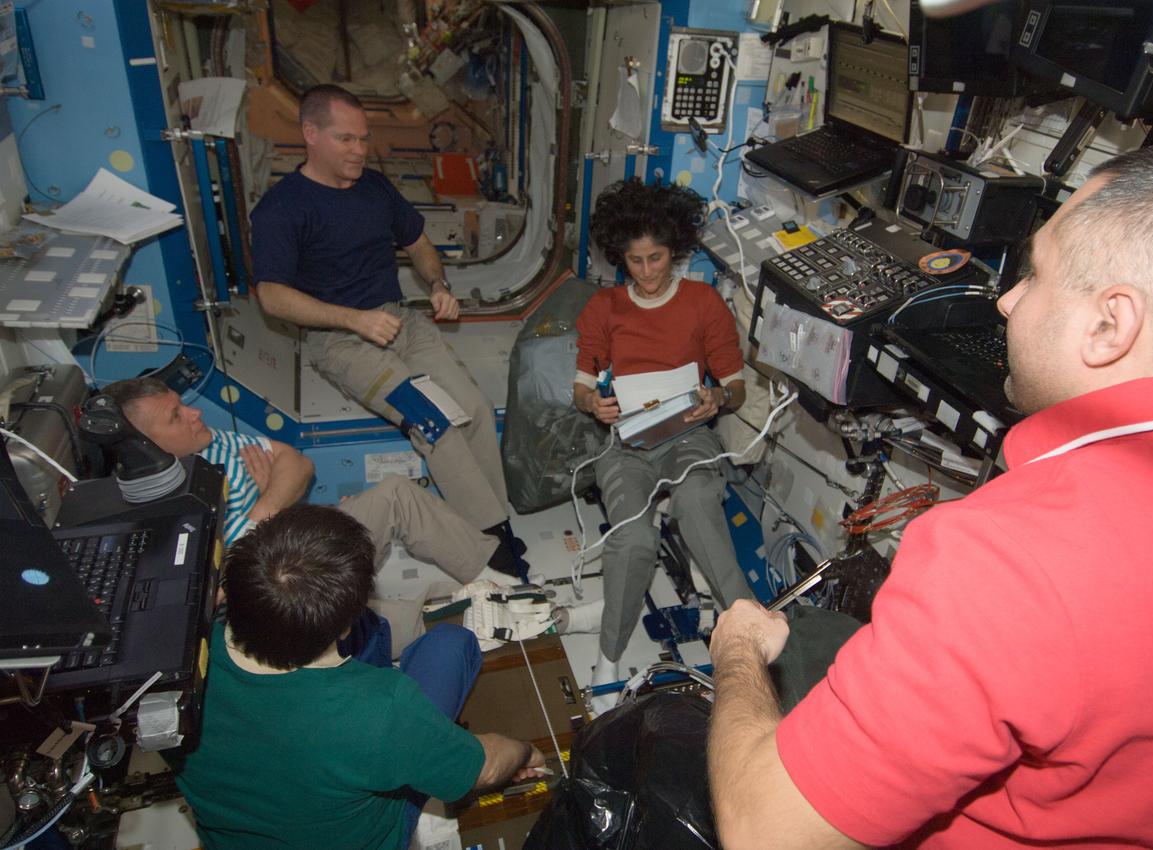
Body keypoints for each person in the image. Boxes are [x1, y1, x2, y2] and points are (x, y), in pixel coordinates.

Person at [707, 139, 1153, 849]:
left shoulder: (1004, 558)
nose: (1007, 299)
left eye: (1035, 275)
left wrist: (735, 652)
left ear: (1110, 325)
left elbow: (763, 834)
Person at [249, 83, 523, 564]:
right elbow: (271, 296)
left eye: (364, 138)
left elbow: (418, 242)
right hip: (340, 340)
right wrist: (353, 320)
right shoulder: (283, 208)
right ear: (310, 134)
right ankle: (490, 548)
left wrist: (437, 285)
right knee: (433, 420)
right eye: (346, 140)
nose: (360, 150)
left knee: (476, 408)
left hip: (400, 321)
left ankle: (494, 518)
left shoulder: (374, 188)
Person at [170, 504, 545, 850]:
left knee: (378, 630)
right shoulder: (381, 712)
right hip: (363, 832)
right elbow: (486, 767)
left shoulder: (170, 668)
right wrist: (526, 751)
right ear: (344, 627)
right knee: (451, 643)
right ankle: (422, 816)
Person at [100, 376, 518, 652]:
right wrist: (270, 516)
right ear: (145, 448)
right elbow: (218, 599)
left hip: (301, 541)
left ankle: (499, 581)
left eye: (182, 404)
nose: (195, 413)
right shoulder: (152, 525)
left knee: (397, 494)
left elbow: (297, 464)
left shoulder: (210, 444)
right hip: (287, 601)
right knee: (392, 625)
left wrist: (262, 509)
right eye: (176, 416)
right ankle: (489, 626)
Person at [573, 178, 755, 696]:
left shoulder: (702, 303)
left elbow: (736, 387)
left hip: (688, 435)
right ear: (620, 259)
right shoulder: (604, 308)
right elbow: (582, 387)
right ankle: (608, 660)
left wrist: (717, 399)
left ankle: (746, 633)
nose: (648, 272)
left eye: (657, 258)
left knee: (698, 500)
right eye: (635, 261)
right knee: (633, 536)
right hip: (625, 440)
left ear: (674, 253)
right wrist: (594, 404)